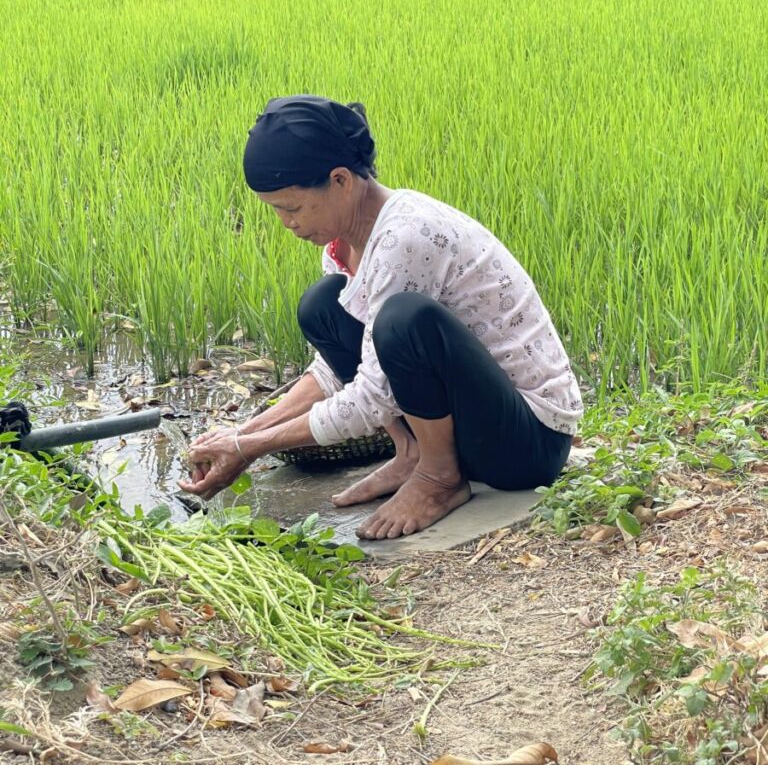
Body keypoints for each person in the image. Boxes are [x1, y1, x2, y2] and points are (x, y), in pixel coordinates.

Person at [180, 96, 583, 540]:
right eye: (275, 209)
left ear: (340, 180)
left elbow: (371, 396)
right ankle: (413, 452)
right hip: (477, 424)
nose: (285, 223)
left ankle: (440, 476)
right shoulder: (345, 243)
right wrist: (243, 432)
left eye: (291, 208)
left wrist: (247, 448)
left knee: (403, 320)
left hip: (528, 444)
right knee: (324, 305)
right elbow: (337, 373)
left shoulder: (404, 238)